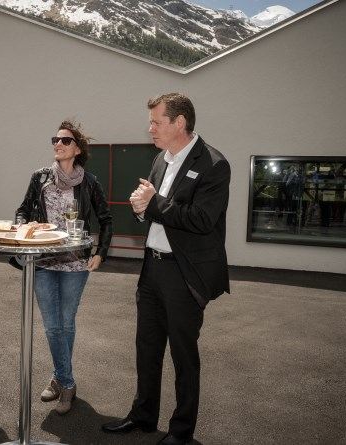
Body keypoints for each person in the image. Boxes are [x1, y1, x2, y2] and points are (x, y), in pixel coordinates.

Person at [102, 93, 230, 445]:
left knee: (183, 356)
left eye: (156, 122)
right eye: (151, 122)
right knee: (147, 347)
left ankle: (181, 433)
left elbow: (202, 219)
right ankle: (143, 416)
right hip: (153, 269)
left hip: (184, 274)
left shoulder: (214, 164)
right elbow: (153, 210)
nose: (151, 128)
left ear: (179, 122)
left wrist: (153, 203)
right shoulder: (161, 158)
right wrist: (140, 208)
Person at [15, 120, 112, 414]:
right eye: (55, 139)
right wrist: (25, 228)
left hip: (75, 262)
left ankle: (59, 378)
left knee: (65, 324)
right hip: (43, 261)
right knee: (52, 325)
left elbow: (106, 219)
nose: (58, 144)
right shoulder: (40, 177)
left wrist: (101, 253)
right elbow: (22, 211)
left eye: (65, 140)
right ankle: (67, 382)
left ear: (77, 149)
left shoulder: (89, 182)